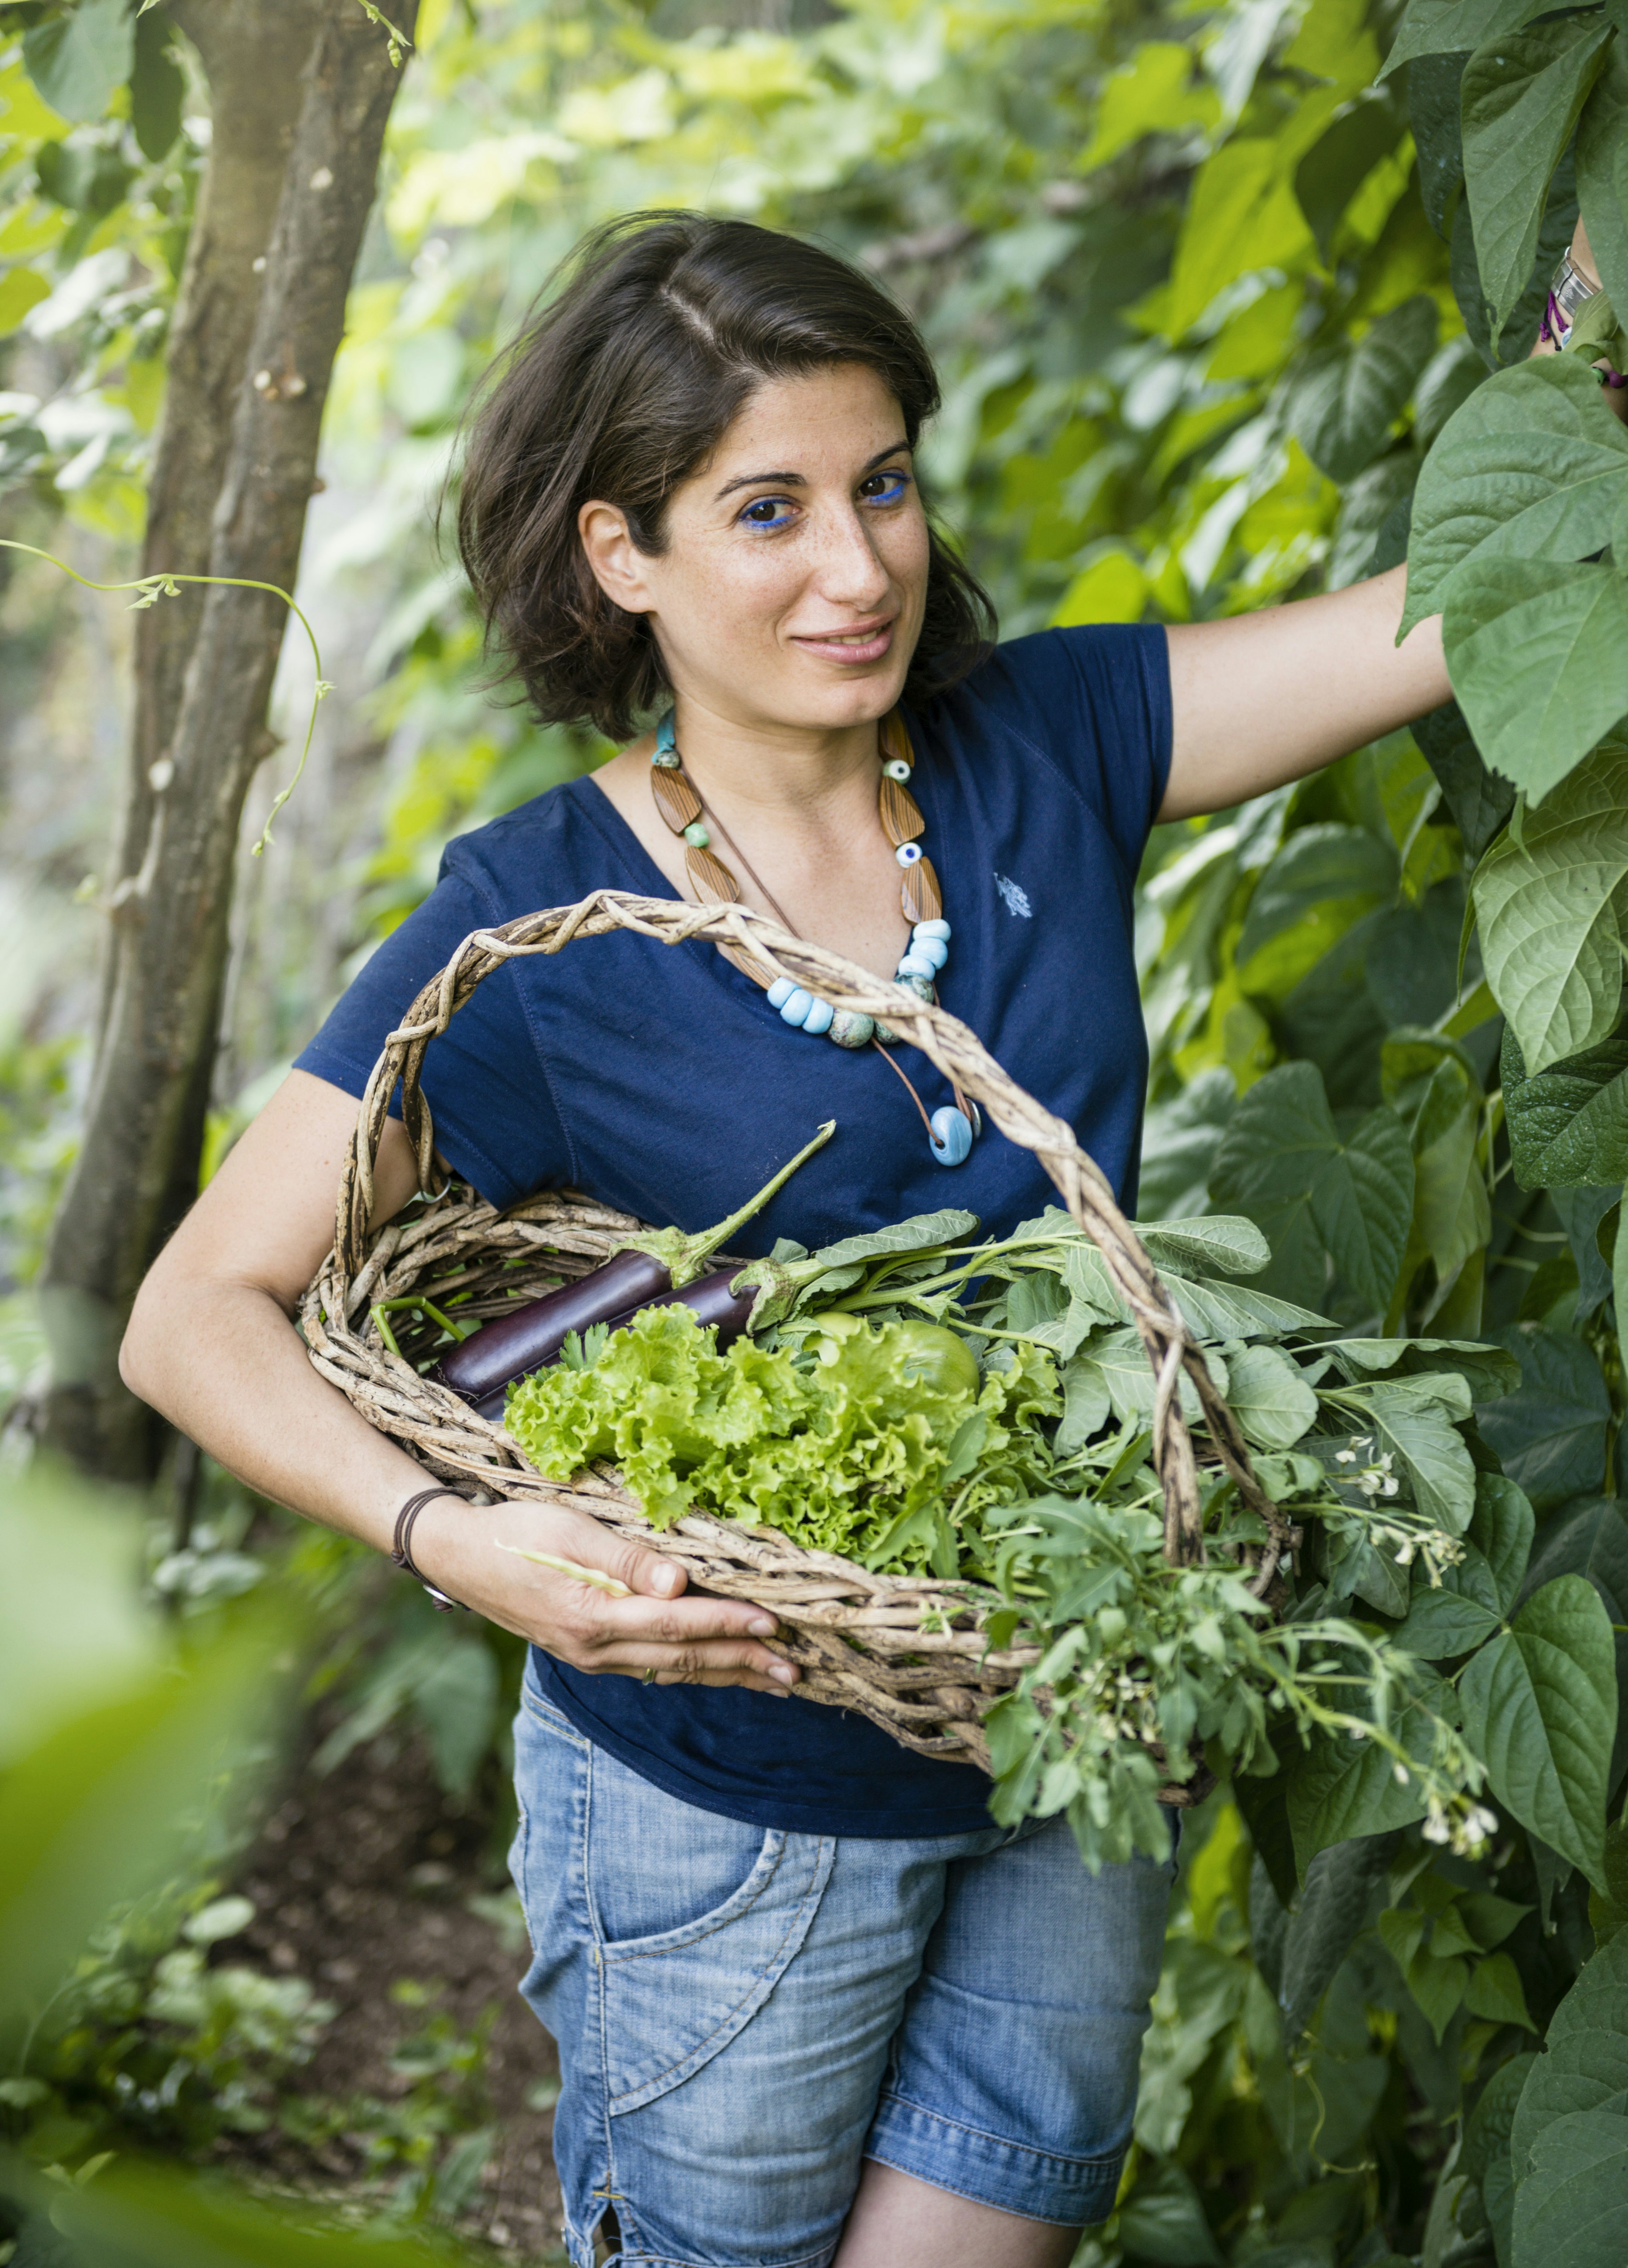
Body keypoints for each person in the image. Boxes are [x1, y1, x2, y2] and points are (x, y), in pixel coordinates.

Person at [130, 202, 1567, 2268]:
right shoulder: (536, 933)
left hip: (1076, 1731)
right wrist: (455, 1537)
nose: (859, 564)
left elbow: (1464, 603)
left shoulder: (1044, 747)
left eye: (883, 484)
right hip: (729, 1808)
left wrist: (1586, 367)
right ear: (619, 557)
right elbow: (195, 1312)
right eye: (769, 509)